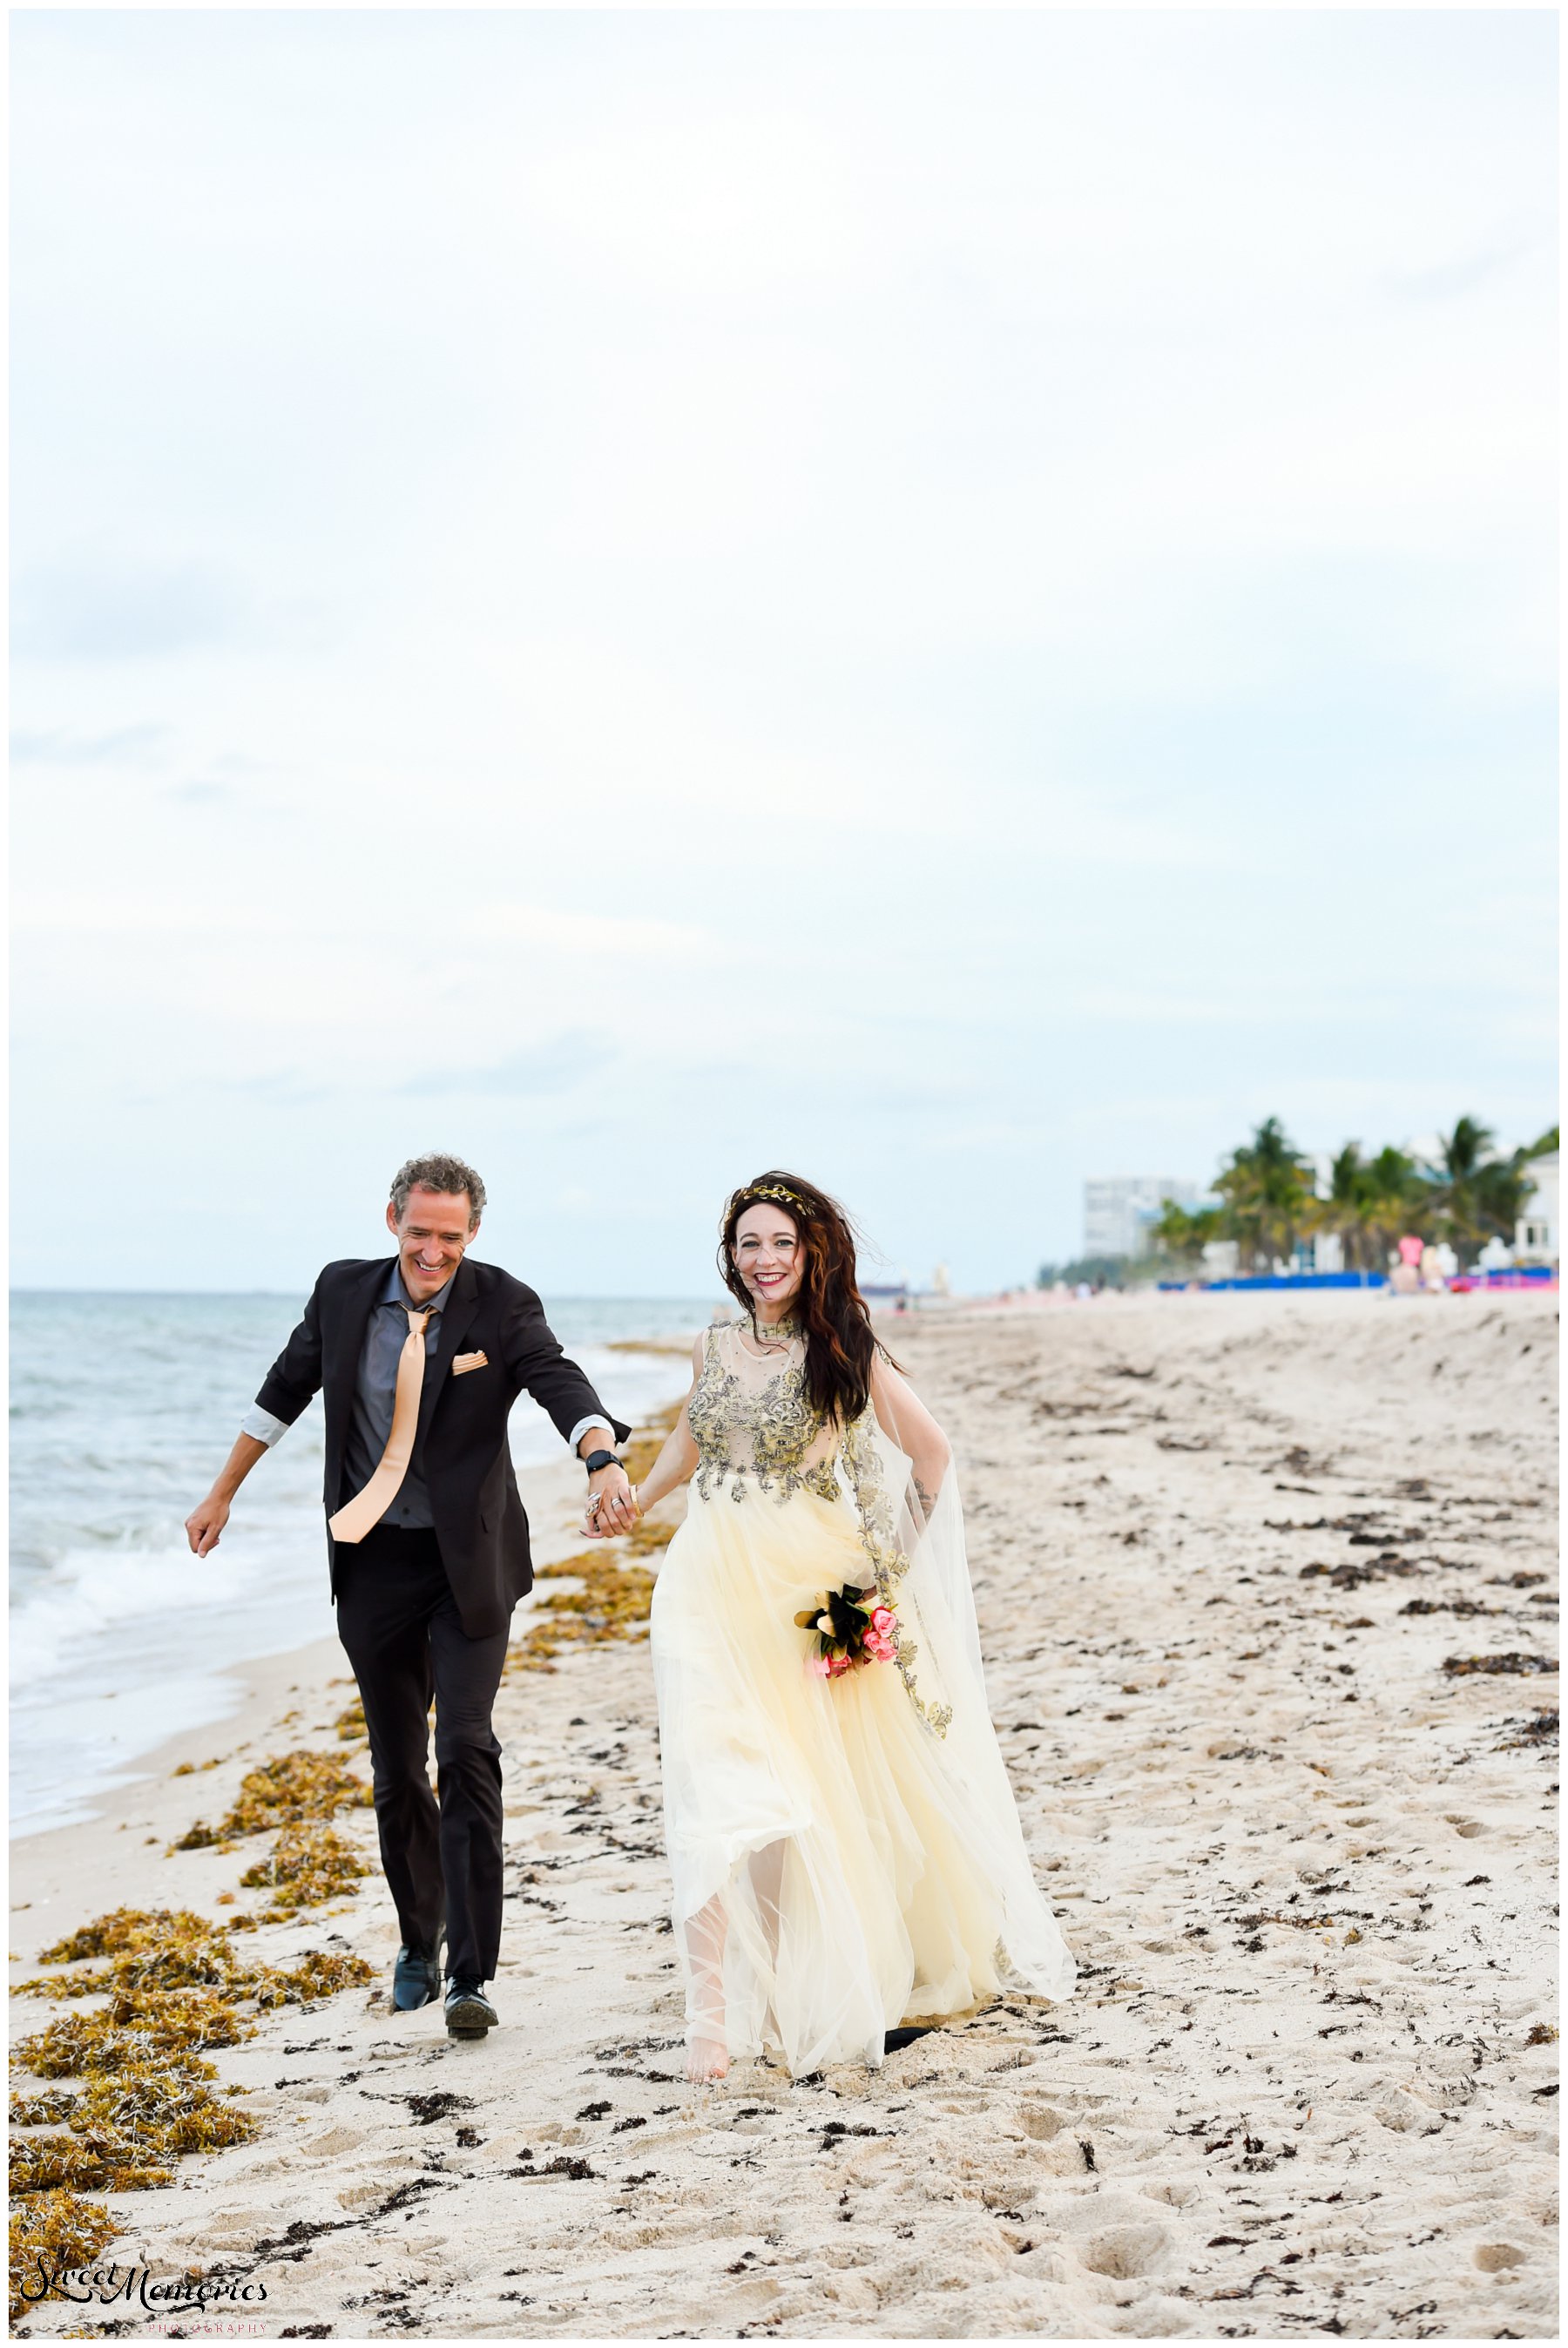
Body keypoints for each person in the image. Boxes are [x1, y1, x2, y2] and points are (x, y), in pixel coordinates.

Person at [588, 1170, 1076, 2082]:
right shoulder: (713, 1346)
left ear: (810, 1253)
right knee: (707, 1784)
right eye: (749, 1244)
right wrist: (639, 1500)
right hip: (705, 1581)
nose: (765, 1259)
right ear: (730, 1259)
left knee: (791, 1792)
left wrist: (877, 1582)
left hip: (806, 1592)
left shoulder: (841, 1350)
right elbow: (694, 1441)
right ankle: (710, 2020)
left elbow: (930, 1456)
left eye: (781, 1243)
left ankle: (781, 1985)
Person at [184, 1153, 633, 2040]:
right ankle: (417, 1941)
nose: (434, 1252)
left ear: (473, 1234)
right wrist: (222, 1490)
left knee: (464, 1747)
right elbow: (282, 1392)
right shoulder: (344, 1293)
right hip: (373, 1562)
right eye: (420, 1232)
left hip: (467, 1565)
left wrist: (601, 1454)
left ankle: (470, 1973)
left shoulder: (500, 1303)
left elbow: (556, 1379)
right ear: (392, 1218)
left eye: (451, 1237)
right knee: (398, 1773)